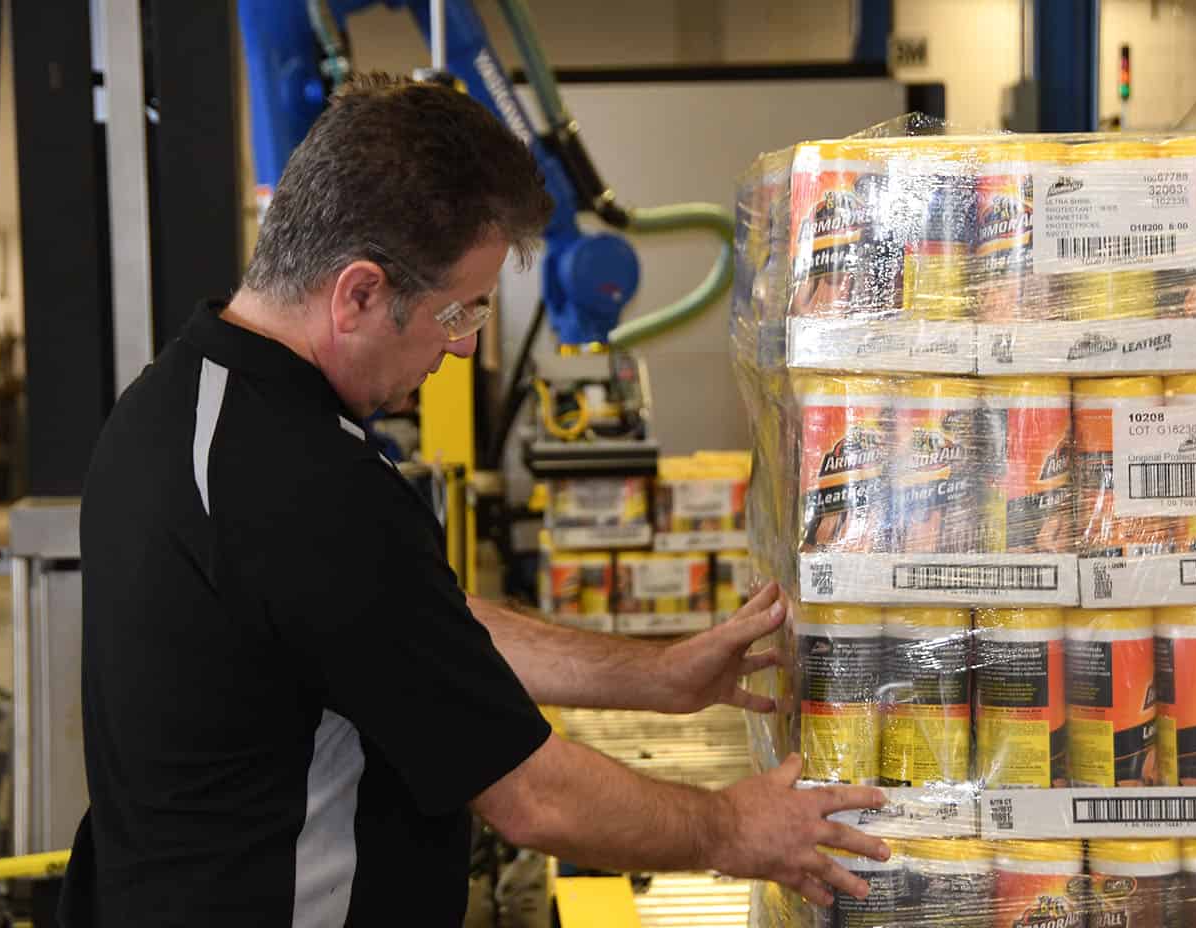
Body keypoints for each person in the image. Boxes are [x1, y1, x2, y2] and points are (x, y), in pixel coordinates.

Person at [59, 73, 890, 927]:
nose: (463, 350)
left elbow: (408, 627)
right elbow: (534, 799)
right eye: (458, 315)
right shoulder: (308, 484)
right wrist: (732, 826)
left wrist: (657, 676)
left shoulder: (175, 402)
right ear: (359, 293)